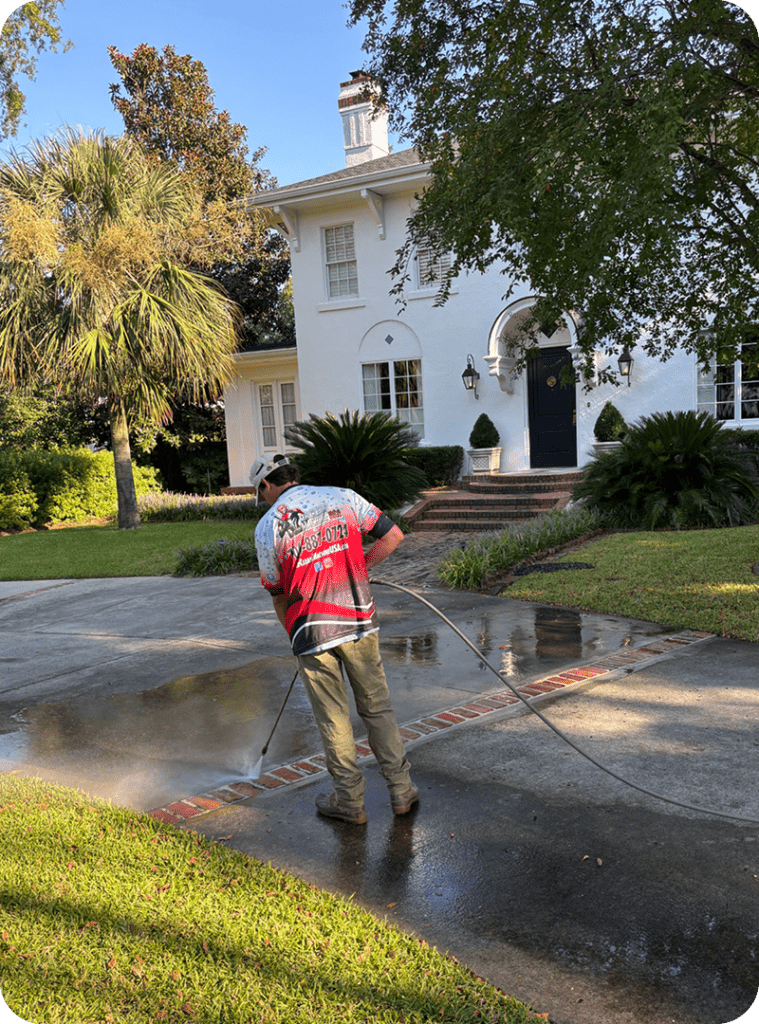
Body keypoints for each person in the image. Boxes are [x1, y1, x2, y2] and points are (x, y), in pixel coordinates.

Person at [251, 453, 419, 825]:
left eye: (260, 492)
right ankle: (401, 790)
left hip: (311, 631)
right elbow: (393, 536)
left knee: (333, 719)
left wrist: (294, 635)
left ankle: (350, 802)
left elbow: (278, 593)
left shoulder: (267, 527)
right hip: (358, 620)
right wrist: (362, 566)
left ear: (266, 486)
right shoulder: (343, 497)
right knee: (377, 708)